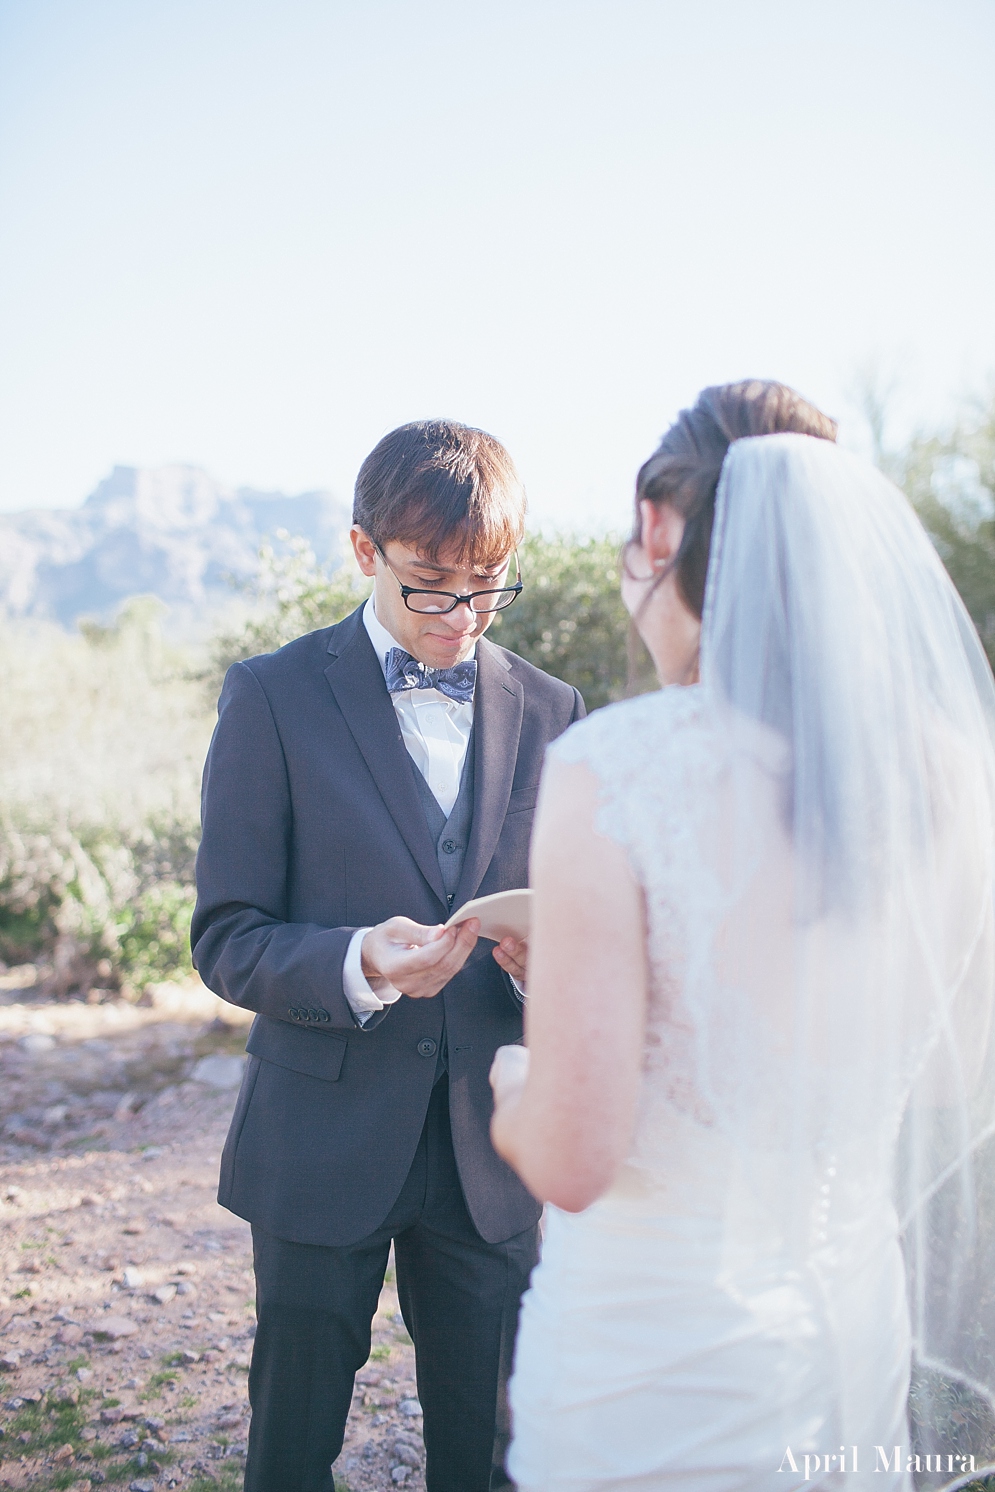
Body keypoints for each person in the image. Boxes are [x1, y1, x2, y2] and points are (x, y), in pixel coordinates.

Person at [490, 381, 995, 1491]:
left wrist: (517, 1073)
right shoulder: (953, 775)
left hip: (654, 1354)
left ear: (661, 531)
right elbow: (957, 1071)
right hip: (849, 1318)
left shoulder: (614, 767)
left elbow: (571, 1158)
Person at [191, 418, 585, 1492]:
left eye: (487, 586)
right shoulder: (270, 697)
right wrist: (358, 960)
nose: (461, 616)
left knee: (497, 1460)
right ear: (364, 550)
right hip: (319, 1142)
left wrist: (546, 967)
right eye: (429, 584)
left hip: (491, 1153)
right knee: (290, 1453)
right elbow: (224, 935)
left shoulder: (554, 711)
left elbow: (580, 932)